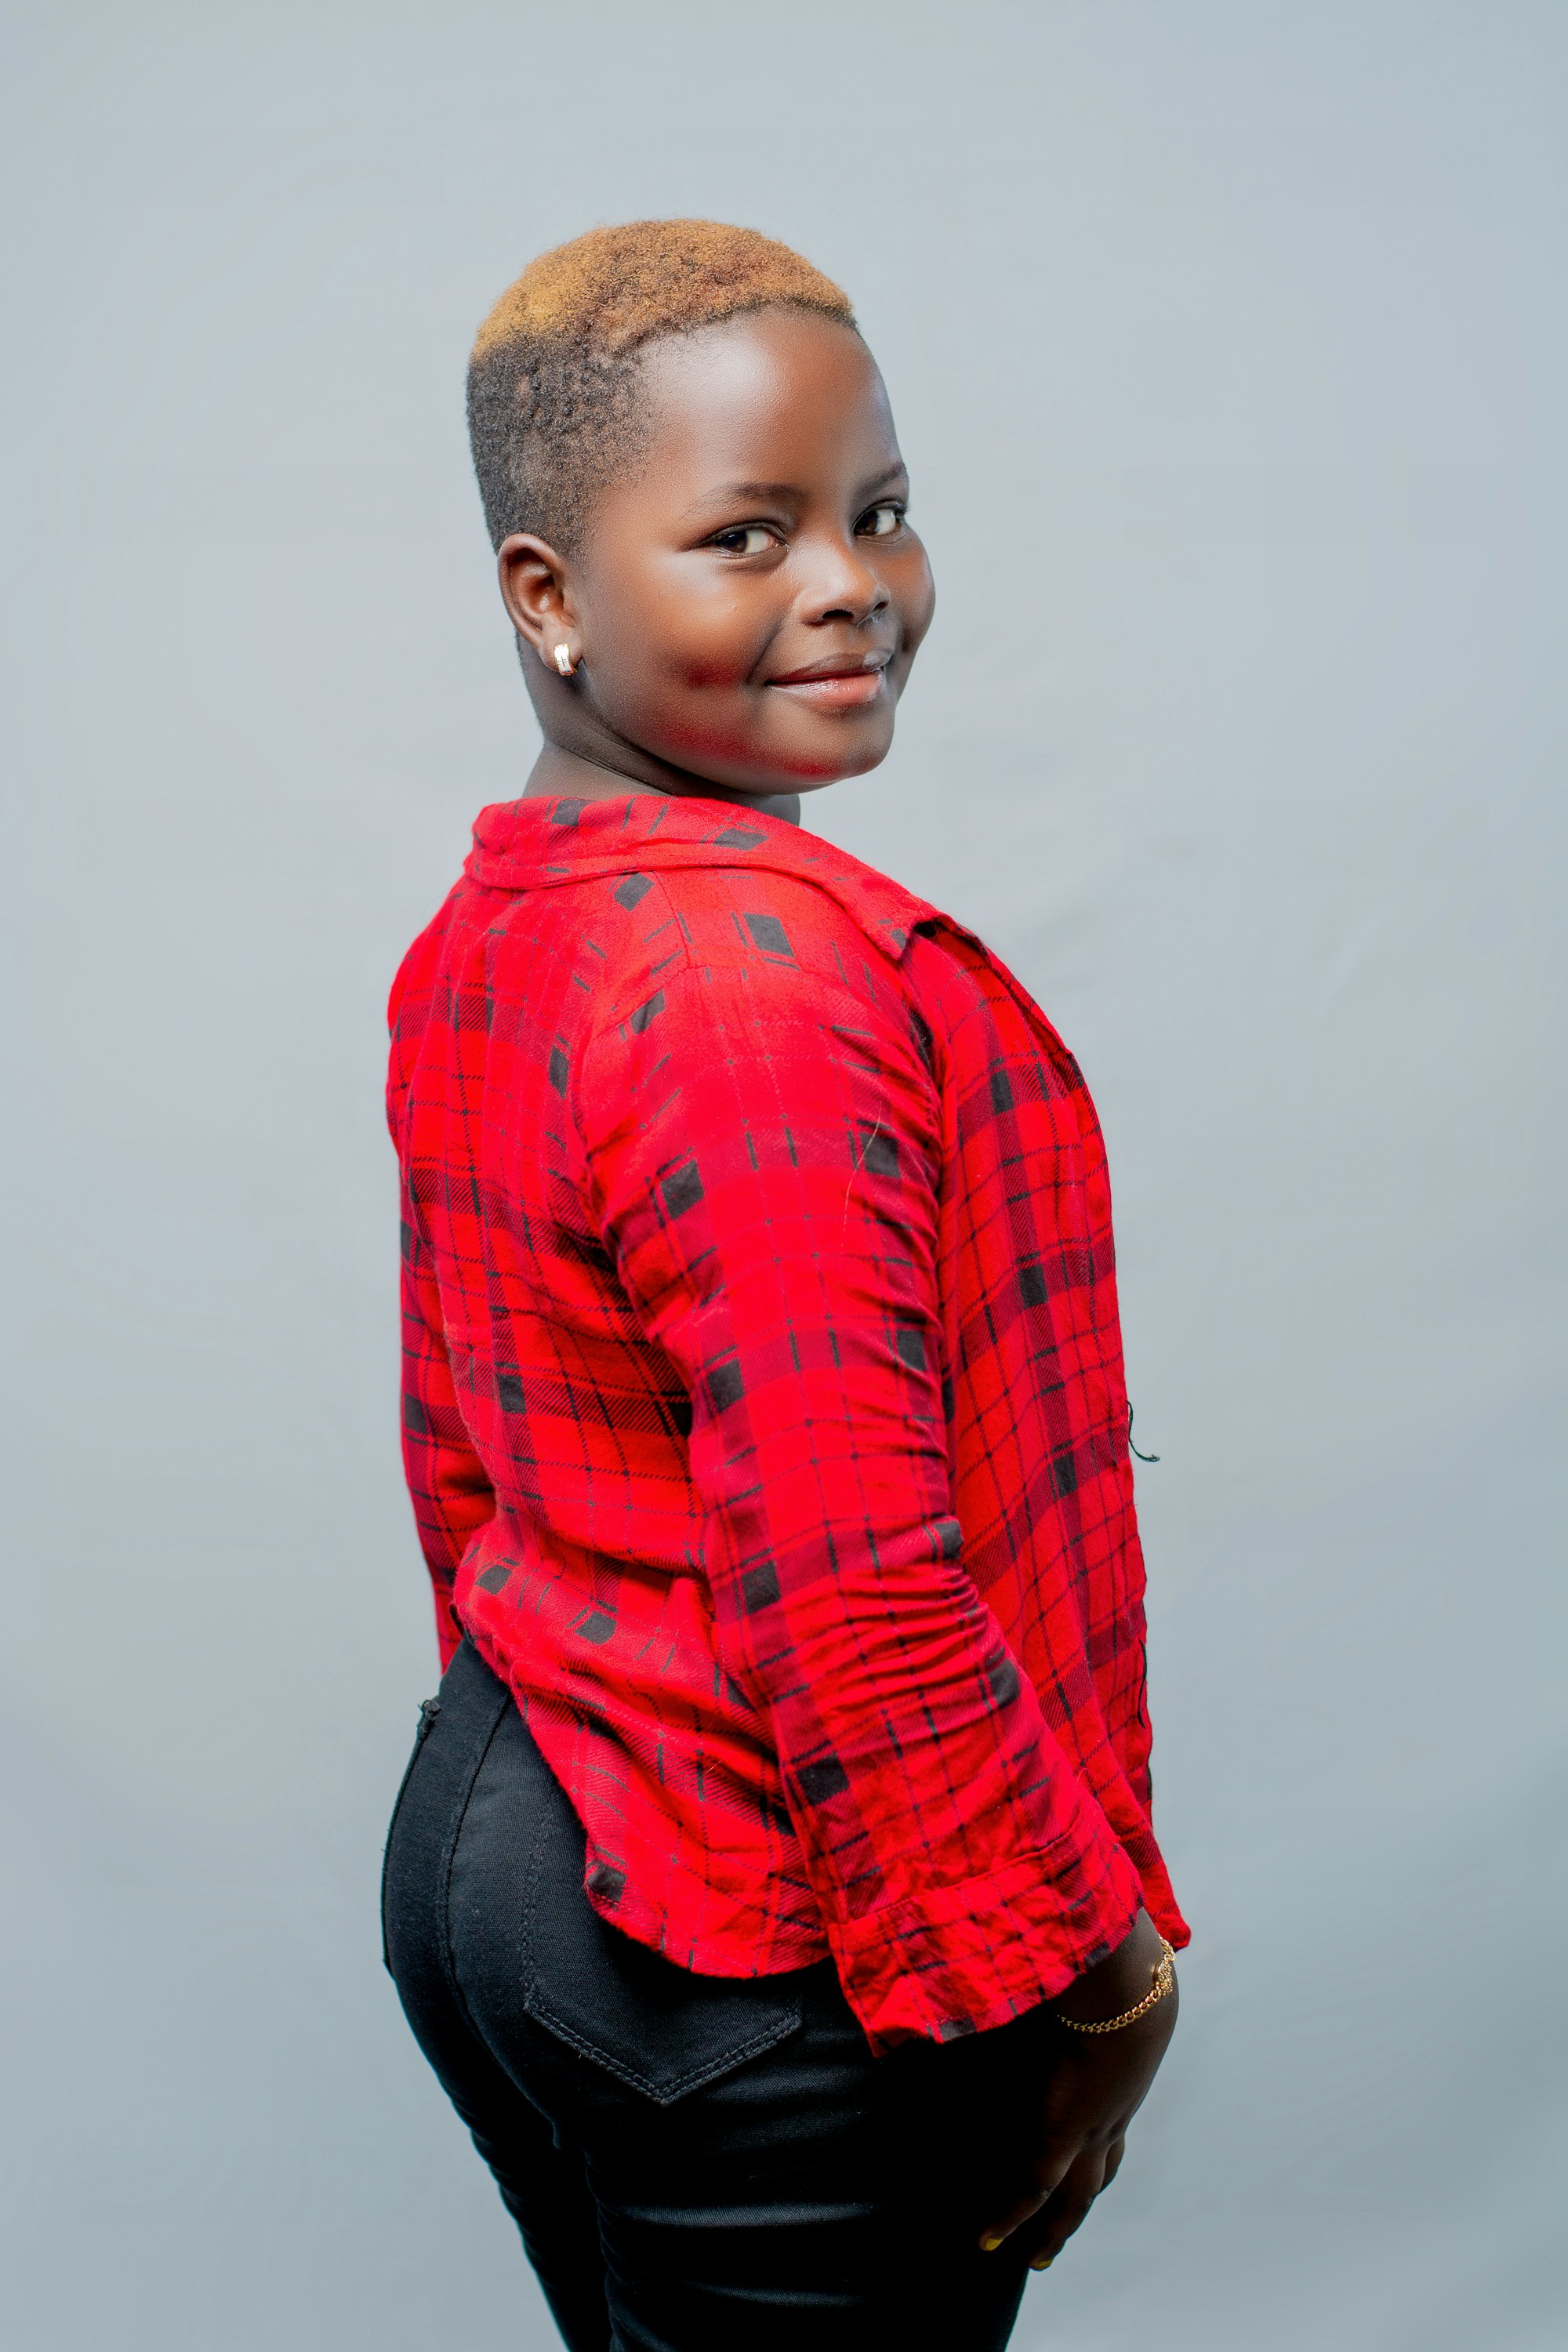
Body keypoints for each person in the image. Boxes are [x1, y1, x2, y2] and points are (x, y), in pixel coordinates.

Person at [381, 219, 1188, 2352]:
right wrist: (1097, 1980)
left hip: (515, 1826)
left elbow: (481, 1465)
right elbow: (854, 1582)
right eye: (747, 535)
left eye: (882, 512)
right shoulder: (749, 976)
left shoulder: (517, 912)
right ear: (548, 595)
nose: (851, 585)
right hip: (728, 1927)